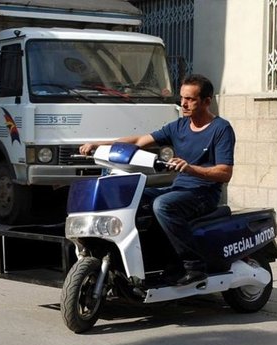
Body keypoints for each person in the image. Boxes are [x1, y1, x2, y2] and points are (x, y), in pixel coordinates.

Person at [79, 74, 236, 285]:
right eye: (182, 98)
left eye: (190, 99)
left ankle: (193, 266)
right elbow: (138, 140)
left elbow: (225, 172)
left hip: (204, 194)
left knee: (162, 205)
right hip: (178, 189)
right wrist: (100, 145)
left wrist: (190, 168)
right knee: (130, 195)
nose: (183, 103)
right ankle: (134, 260)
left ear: (207, 101)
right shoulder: (179, 126)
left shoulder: (221, 129)